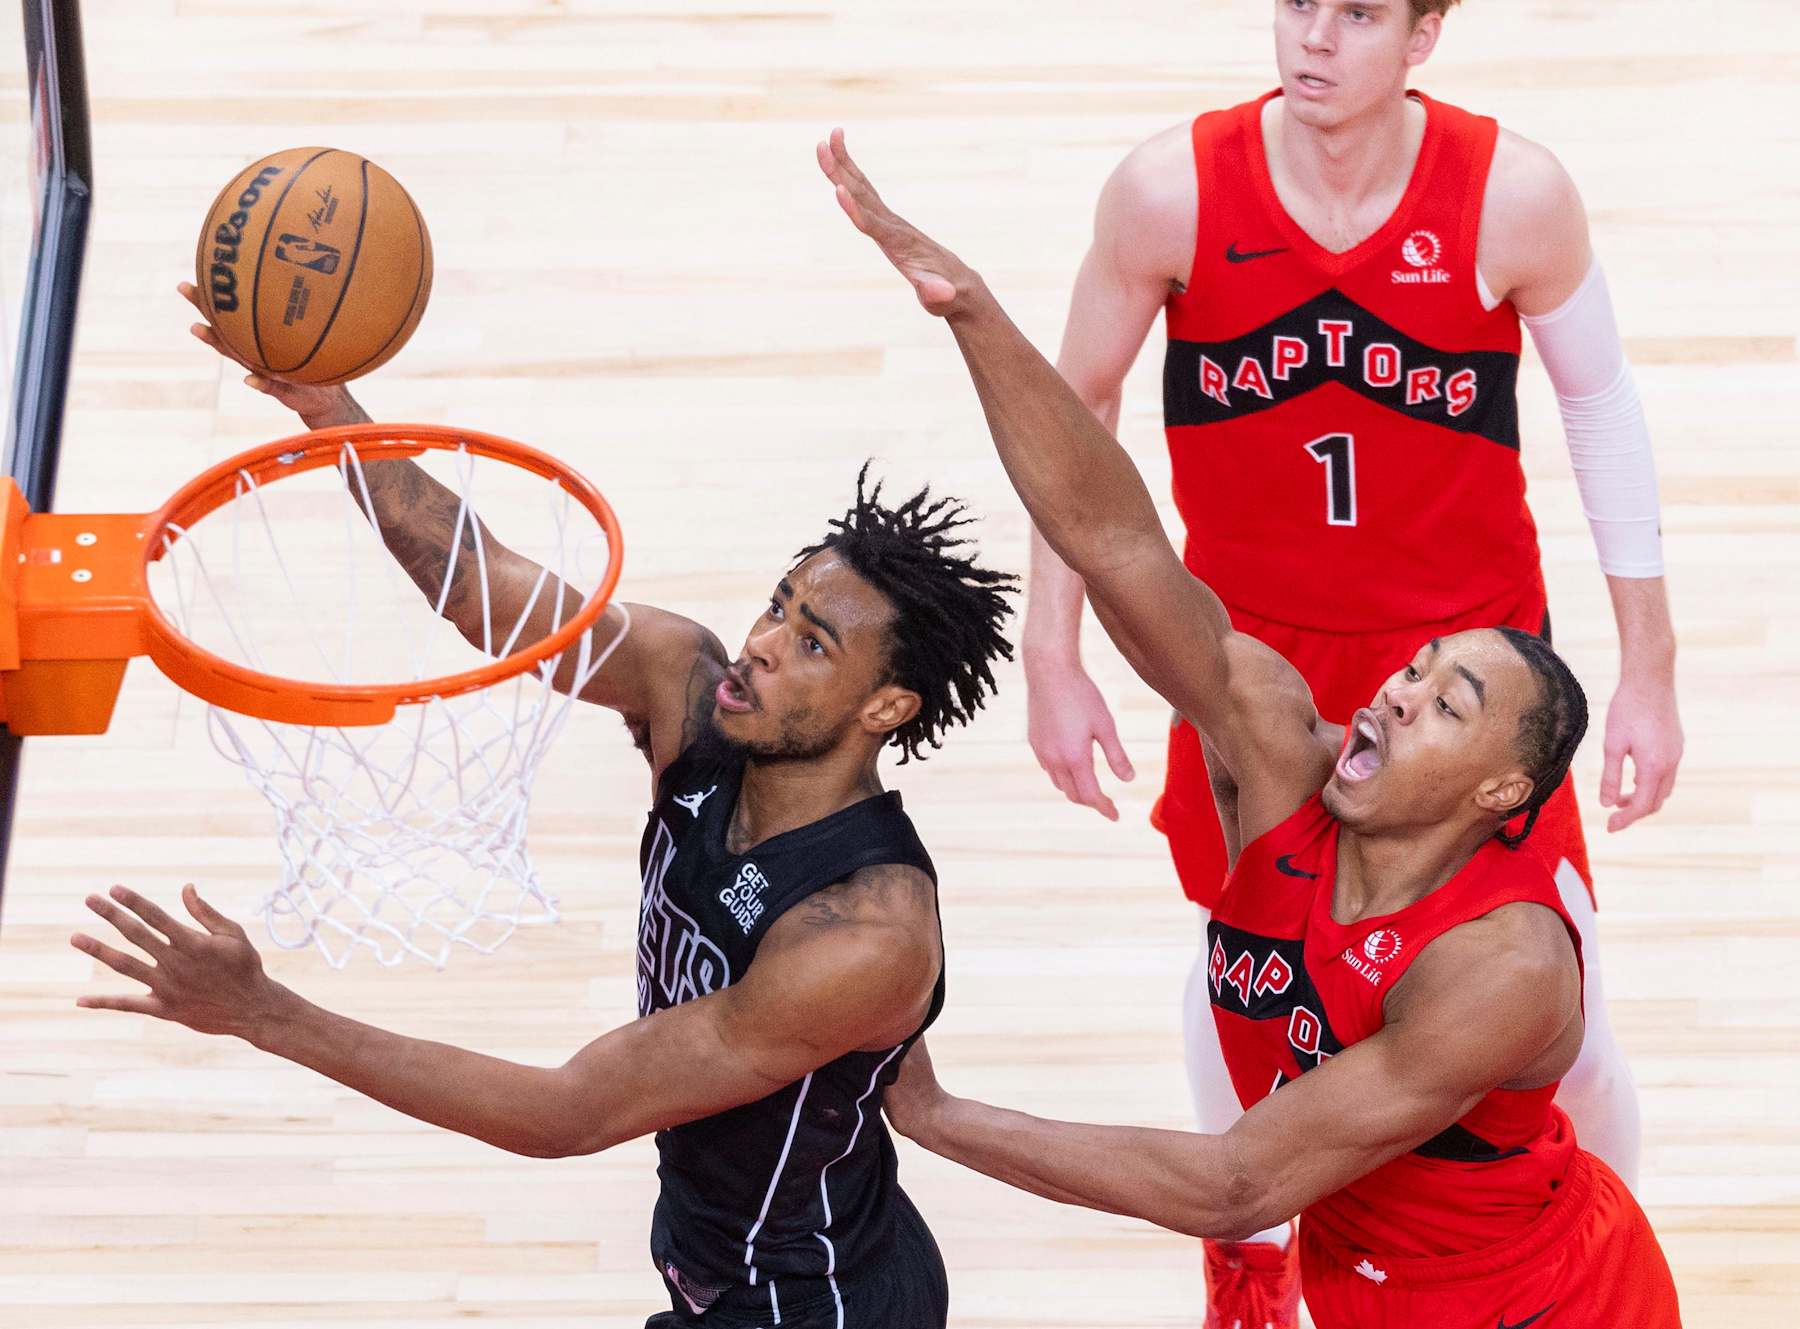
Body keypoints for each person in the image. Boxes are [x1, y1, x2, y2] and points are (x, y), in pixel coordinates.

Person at [818, 128, 1681, 1329]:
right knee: (1242, 995)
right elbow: (1118, 538)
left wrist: (933, 1111)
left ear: (1500, 796)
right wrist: (973, 316)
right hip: (1357, 1285)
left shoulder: (1506, 967)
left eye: (1449, 705)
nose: (1397, 692)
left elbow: (1232, 1182)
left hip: (1541, 1306)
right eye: (1418, 671)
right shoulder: (1284, 752)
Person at [69, 294, 1020, 1329]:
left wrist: (265, 1014)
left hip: (809, 1301)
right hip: (724, 1255)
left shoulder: (861, 934)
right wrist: (332, 410)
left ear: (886, 708)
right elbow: (485, 592)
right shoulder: (686, 686)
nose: (761, 643)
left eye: (813, 644)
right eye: (777, 608)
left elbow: (565, 1114)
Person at [1020, 0, 1680, 1317]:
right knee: (1245, 984)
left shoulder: (1513, 196)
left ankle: (1576, 1247)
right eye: (1298, 3)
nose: (1315, 38)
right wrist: (1054, 643)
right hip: (1252, 663)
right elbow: (1073, 409)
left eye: (1361, 12)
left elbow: (1601, 406)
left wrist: (1650, 665)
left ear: (1425, 34)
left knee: (1573, 1024)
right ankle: (1250, 1262)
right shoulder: (1170, 194)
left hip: (1472, 674)